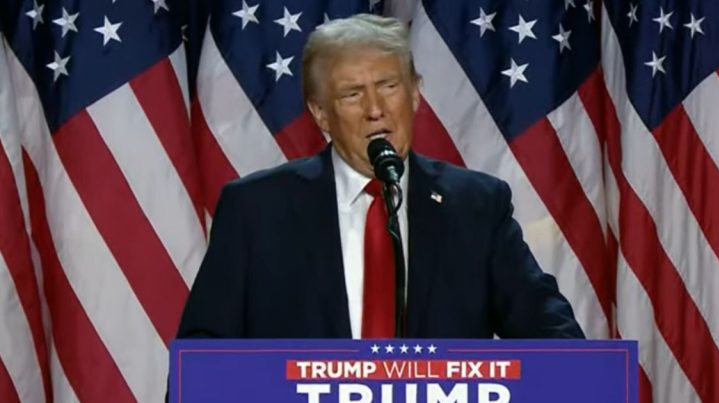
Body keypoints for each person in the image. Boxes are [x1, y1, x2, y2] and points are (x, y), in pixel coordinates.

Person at [176, 14, 584, 339]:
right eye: (352, 94)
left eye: (389, 86)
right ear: (321, 113)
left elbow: (551, 334)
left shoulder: (475, 206)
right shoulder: (256, 210)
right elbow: (202, 359)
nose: (376, 109)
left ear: (415, 93)